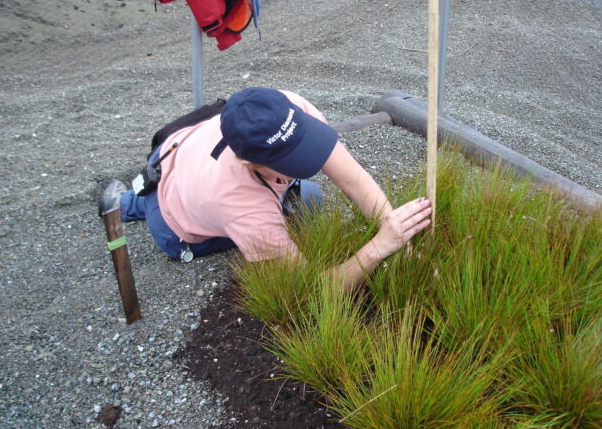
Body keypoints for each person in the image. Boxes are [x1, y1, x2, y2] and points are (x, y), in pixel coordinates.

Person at [100, 87, 431, 290]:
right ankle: (127, 203)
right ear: (249, 164)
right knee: (163, 211)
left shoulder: (286, 107)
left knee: (309, 199)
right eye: (291, 159)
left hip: (182, 149)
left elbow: (352, 178)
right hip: (175, 222)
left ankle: (137, 198)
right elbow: (311, 289)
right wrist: (380, 246)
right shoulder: (237, 201)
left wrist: (397, 228)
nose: (311, 160)